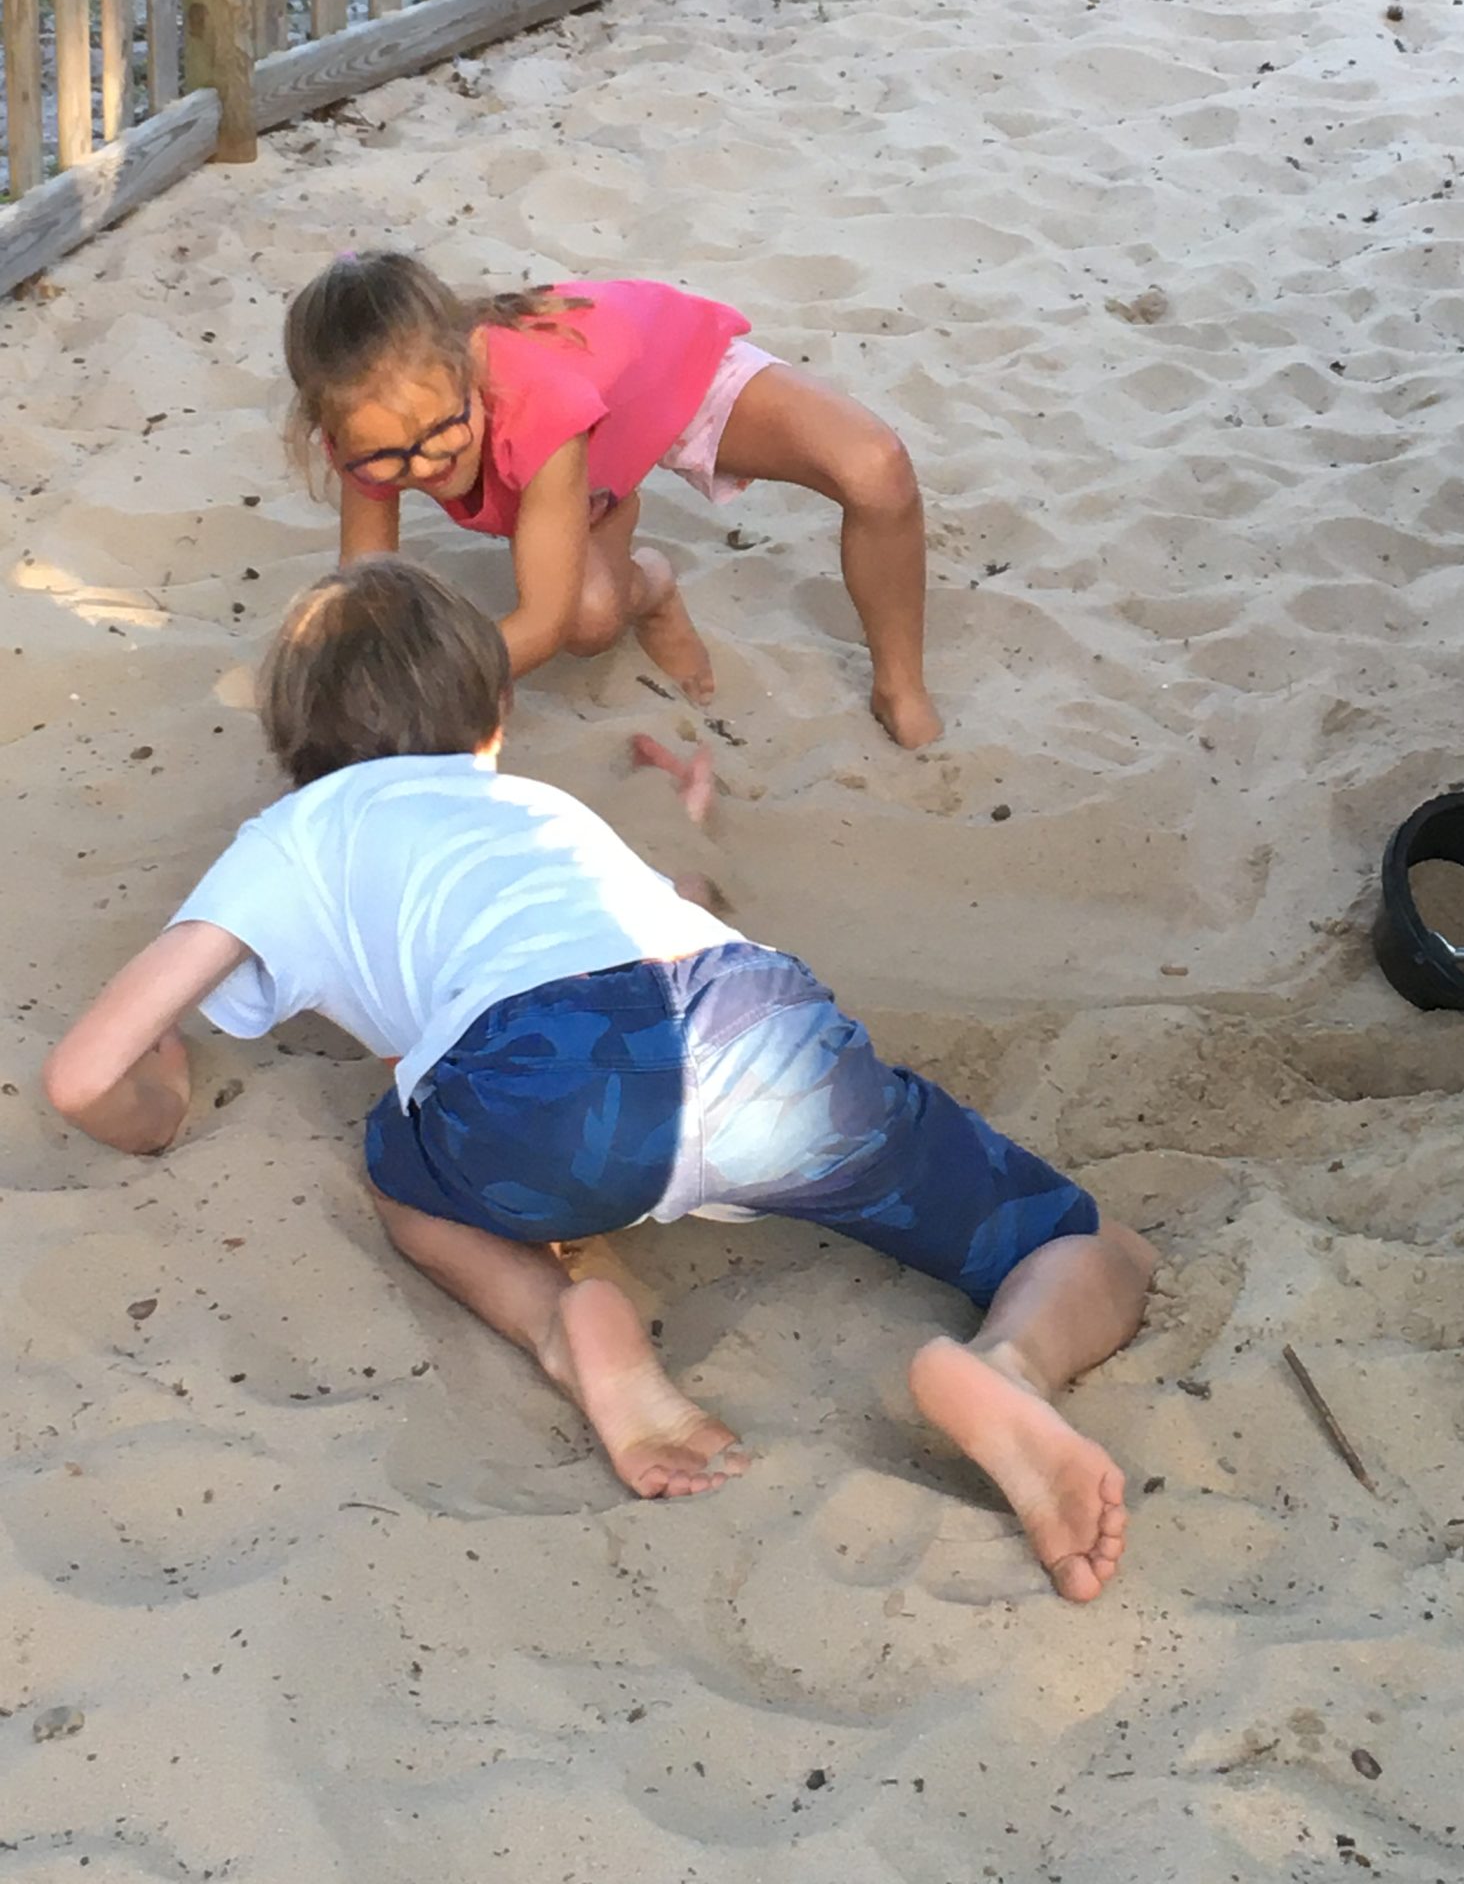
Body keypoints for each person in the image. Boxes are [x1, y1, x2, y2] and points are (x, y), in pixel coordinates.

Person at [40, 559, 1152, 1601]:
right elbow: (663, 917)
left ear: (291, 743)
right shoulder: (538, 808)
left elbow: (85, 1075)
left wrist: (157, 1108)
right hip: (761, 1032)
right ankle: (1011, 1365)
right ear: (493, 720)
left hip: (546, 1101)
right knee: (1086, 1245)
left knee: (402, 1172)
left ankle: (562, 1329)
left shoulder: (285, 839)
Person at [283, 251, 942, 749]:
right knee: (591, 619)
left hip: (664, 381)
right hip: (576, 456)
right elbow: (363, 593)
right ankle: (652, 589)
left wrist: (421, 691)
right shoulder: (366, 420)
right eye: (388, 457)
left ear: (466, 367)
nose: (424, 466)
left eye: (441, 431)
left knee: (875, 469)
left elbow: (536, 625)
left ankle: (900, 687)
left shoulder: (531, 398)